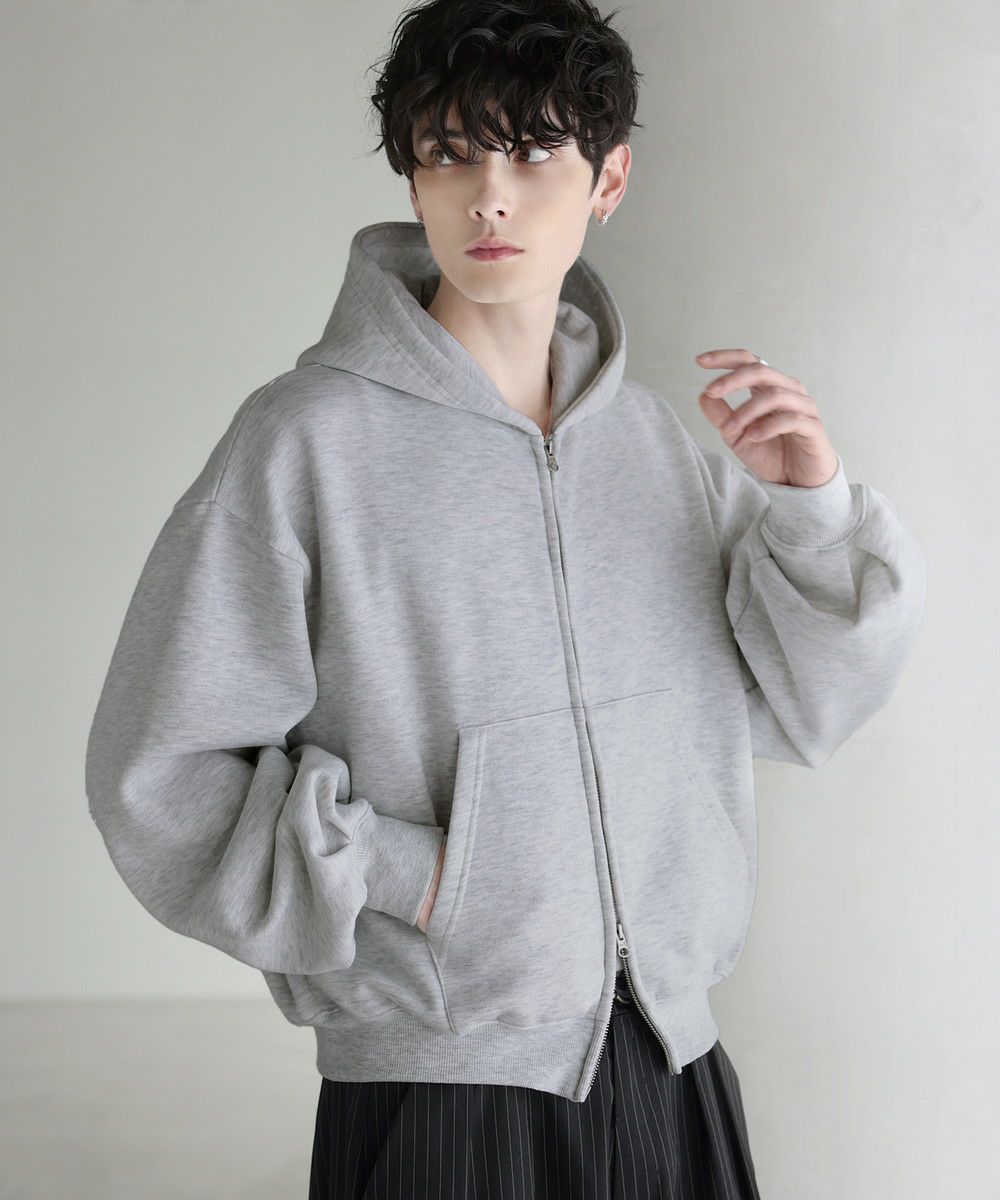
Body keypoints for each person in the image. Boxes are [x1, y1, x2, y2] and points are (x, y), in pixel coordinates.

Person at [84, 0, 928, 1196]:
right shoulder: (306, 443)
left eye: (532, 154)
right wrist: (420, 879)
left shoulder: (653, 449)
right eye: (451, 153)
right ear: (413, 180)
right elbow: (159, 772)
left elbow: (807, 704)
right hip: (440, 1085)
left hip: (672, 1060)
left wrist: (809, 508)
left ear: (608, 179)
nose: (489, 197)